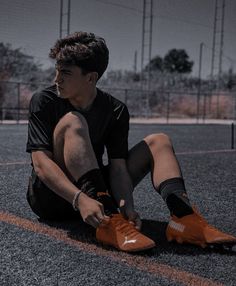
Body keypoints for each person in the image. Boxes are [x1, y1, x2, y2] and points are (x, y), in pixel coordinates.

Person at [26, 31, 236, 252]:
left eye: (65, 73)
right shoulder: (44, 101)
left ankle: (184, 220)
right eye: (57, 71)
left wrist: (127, 204)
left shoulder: (115, 109)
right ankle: (108, 220)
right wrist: (79, 198)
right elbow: (40, 163)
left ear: (91, 78)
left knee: (159, 141)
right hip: (53, 199)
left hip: (96, 194)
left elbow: (118, 167)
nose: (56, 79)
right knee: (72, 121)